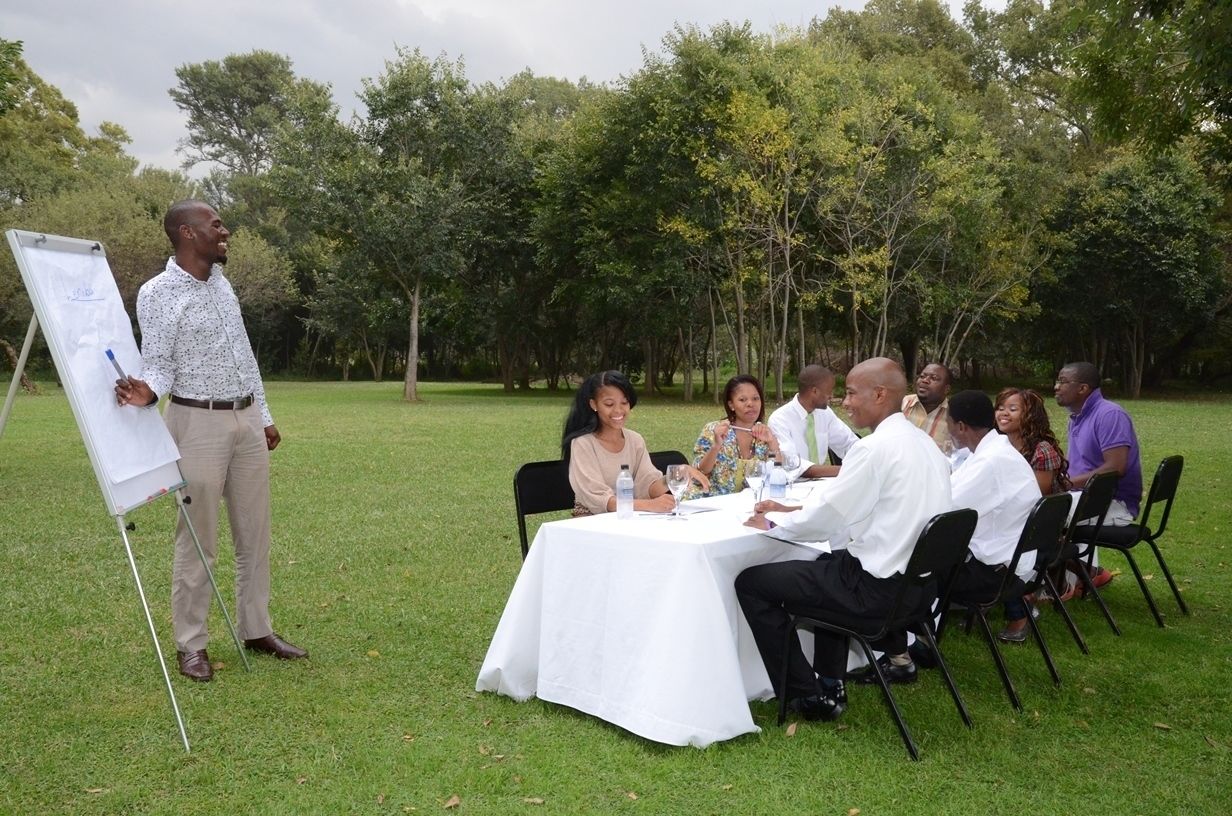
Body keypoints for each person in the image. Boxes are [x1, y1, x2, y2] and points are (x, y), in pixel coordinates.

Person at [114, 200, 306, 682]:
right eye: (215, 224)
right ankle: (191, 644)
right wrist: (147, 390)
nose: (225, 231)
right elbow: (158, 361)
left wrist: (263, 414)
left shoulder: (223, 286)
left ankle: (256, 629)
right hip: (196, 422)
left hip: (245, 421)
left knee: (254, 533)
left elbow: (245, 355)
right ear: (187, 233)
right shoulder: (156, 293)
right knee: (199, 539)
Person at [735, 358, 951, 722]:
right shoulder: (923, 443)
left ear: (880, 394)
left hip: (875, 593)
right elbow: (847, 503)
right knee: (824, 568)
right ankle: (831, 680)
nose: (844, 402)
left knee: (752, 583)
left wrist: (772, 524)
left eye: (851, 393)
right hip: (918, 594)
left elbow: (829, 517)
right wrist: (788, 511)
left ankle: (806, 695)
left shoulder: (874, 448)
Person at [932, 391, 1042, 648]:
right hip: (1015, 562)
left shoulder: (990, 462)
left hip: (995, 574)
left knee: (908, 567)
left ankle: (907, 644)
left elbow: (942, 512)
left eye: (948, 424)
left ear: (960, 426)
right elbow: (954, 488)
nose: (947, 431)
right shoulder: (996, 451)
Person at [562, 370, 708, 515]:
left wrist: (678, 474)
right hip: (591, 522)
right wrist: (649, 505)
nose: (618, 410)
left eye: (624, 403)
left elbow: (648, 485)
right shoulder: (583, 444)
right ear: (594, 404)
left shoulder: (635, 440)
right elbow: (598, 498)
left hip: (630, 519)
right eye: (609, 404)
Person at [1054, 361, 1141, 591]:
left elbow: (1116, 467)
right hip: (1085, 497)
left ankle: (1080, 575)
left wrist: (1068, 483)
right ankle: (1067, 577)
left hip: (1114, 503)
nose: (1056, 387)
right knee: (1041, 509)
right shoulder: (1078, 416)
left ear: (1083, 388)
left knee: (1042, 519)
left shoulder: (1109, 415)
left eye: (1063, 382)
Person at [690, 375, 782, 496]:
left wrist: (772, 443)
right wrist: (716, 446)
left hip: (750, 503)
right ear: (731, 405)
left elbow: (778, 474)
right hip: (712, 502)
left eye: (755, 398)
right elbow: (700, 472)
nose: (750, 404)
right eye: (742, 400)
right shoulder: (714, 429)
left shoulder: (764, 434)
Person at [767, 365, 859, 479]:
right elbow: (793, 464)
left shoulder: (825, 414)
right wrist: (847, 470)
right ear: (815, 391)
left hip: (821, 483)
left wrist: (865, 459)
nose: (832, 396)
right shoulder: (779, 419)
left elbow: (849, 443)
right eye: (829, 391)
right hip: (792, 484)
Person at [995, 387, 1072, 496]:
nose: (1004, 413)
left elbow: (1039, 494)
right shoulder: (996, 444)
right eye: (1000, 408)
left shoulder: (1042, 451)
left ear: (1030, 415)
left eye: (1012, 409)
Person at [901, 362, 955, 456]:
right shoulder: (901, 405)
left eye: (934, 378)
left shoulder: (954, 415)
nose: (925, 380)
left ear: (946, 389)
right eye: (922, 376)